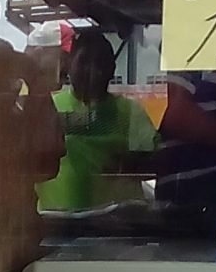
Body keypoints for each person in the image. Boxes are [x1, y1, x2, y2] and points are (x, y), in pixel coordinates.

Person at [35, 30, 160, 216]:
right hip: (55, 222)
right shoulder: (48, 107)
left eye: (101, 64)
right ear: (69, 64)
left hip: (117, 225)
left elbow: (159, 159)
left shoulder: (130, 112)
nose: (93, 71)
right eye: (84, 62)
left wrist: (130, 165)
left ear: (112, 69)